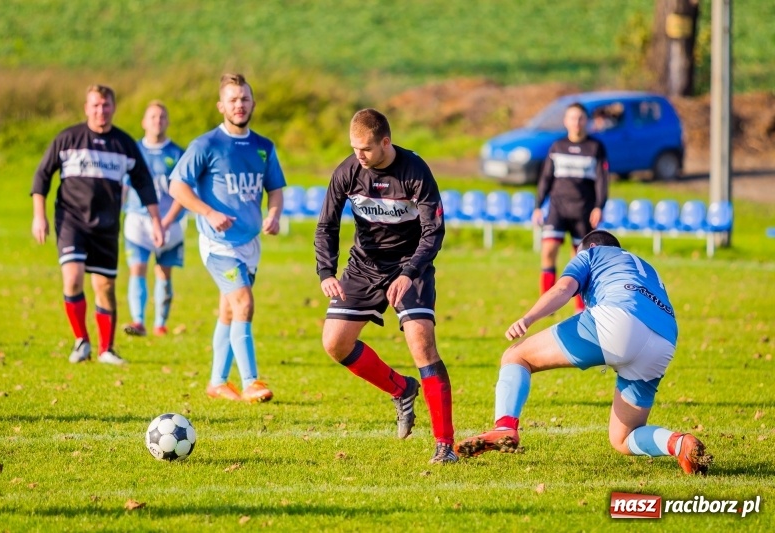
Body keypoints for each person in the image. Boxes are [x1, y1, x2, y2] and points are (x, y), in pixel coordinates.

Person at [454, 230, 713, 475]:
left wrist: (528, 318)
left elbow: (563, 289)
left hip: (618, 320)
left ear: (589, 246)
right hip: (665, 341)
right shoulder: (645, 267)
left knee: (515, 356)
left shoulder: (590, 254)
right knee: (622, 438)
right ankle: (680, 445)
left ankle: (504, 427)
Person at [315, 108, 456, 464]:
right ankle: (401, 388)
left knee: (422, 344)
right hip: (365, 266)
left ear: (385, 142)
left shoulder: (415, 171)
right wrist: (326, 272)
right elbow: (326, 225)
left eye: (364, 148)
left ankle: (445, 445)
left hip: (412, 267)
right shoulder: (348, 171)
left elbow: (433, 232)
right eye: (353, 148)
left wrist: (409, 272)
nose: (357, 155)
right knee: (335, 343)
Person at [169, 73, 285, 404]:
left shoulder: (263, 147)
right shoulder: (205, 145)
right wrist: (207, 212)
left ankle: (217, 382)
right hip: (218, 245)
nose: (239, 105)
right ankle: (251, 382)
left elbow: (275, 189)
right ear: (221, 105)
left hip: (250, 244)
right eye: (233, 100)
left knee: (229, 311)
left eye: (244, 99)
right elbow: (177, 186)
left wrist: (273, 214)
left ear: (253, 103)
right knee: (244, 303)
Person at [31, 84, 163, 366]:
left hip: (106, 226)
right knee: (73, 277)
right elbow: (42, 175)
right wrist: (38, 215)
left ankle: (106, 350)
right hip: (71, 221)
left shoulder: (125, 145)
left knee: (104, 286)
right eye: (95, 105)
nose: (100, 111)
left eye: (105, 105)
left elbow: (144, 183)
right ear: (86, 108)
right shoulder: (68, 138)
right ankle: (81, 341)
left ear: (113, 107)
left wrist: (156, 221)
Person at [533, 102, 609, 313]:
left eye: (581, 118)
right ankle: (547, 305)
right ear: (566, 121)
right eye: (572, 118)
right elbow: (545, 178)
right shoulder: (557, 147)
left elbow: (602, 181)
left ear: (587, 121)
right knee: (548, 250)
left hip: (583, 210)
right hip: (558, 209)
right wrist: (538, 206)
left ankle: (580, 307)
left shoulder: (595, 148)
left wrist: (599, 206)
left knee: (580, 259)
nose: (576, 122)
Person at [122, 101, 186, 337]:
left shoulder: (178, 153)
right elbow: (124, 187)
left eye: (161, 117)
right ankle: (138, 321)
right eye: (152, 117)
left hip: (170, 222)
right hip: (138, 221)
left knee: (163, 273)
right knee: (137, 268)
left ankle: (160, 323)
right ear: (143, 122)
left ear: (167, 121)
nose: (157, 121)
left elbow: (184, 192)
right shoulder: (134, 151)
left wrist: (167, 221)